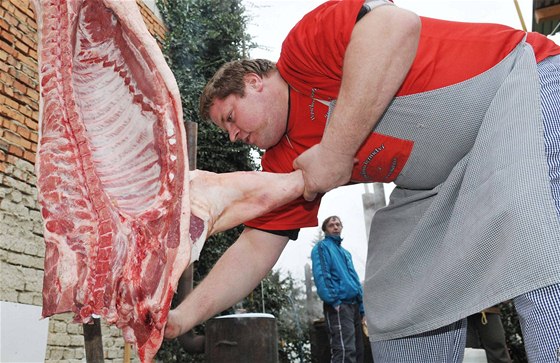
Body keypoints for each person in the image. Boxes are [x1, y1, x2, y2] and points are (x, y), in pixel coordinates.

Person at [165, 1, 560, 362]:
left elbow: (393, 24)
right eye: (226, 131)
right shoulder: (281, 162)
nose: (233, 136)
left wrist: (335, 150)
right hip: (439, 182)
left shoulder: (302, 51)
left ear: (254, 81)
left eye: (230, 118)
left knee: (535, 239)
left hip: (522, 83)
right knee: (397, 295)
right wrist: (182, 317)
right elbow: (253, 250)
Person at [311, 216, 365, 363]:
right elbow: (322, 275)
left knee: (358, 350)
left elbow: (354, 279)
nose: (335, 227)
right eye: (331, 225)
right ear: (325, 230)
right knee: (344, 351)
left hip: (354, 306)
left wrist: (361, 308)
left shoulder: (345, 253)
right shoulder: (322, 248)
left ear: (341, 227)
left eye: (338, 224)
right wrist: (334, 301)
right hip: (339, 306)